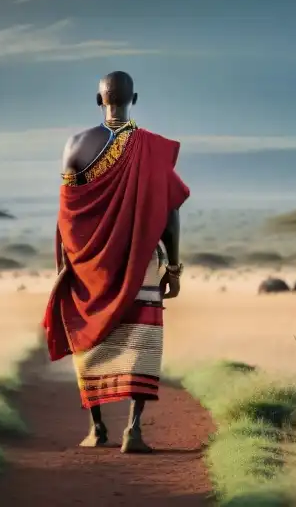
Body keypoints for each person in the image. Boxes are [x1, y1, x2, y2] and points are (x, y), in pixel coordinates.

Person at [42, 70, 189, 454]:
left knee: (89, 340)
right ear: (134, 99)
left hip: (89, 265)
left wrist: (64, 262)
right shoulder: (151, 148)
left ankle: (97, 429)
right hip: (141, 261)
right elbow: (170, 212)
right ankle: (134, 431)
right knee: (142, 341)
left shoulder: (74, 144)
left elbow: (67, 213)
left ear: (98, 100)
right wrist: (173, 267)